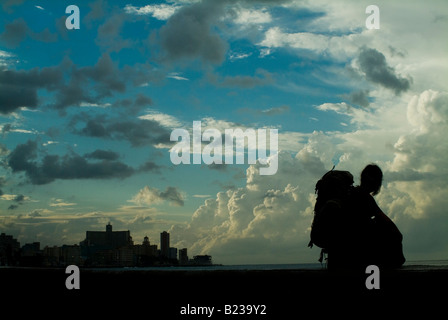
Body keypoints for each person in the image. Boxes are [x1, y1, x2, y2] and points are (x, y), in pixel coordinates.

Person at [350, 164, 405, 269]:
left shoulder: (353, 193)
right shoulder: (365, 197)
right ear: (377, 182)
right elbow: (389, 225)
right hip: (360, 246)